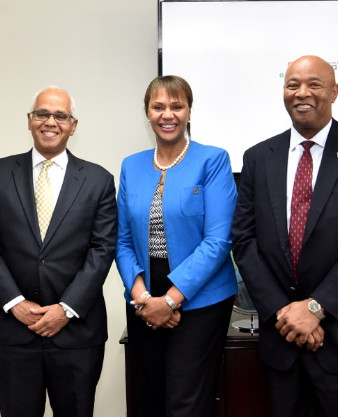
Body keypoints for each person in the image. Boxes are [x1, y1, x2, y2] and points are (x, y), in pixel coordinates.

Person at [231, 55, 338, 417]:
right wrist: (287, 315)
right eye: (292, 85)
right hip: (283, 339)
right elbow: (244, 243)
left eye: (314, 84)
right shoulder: (259, 157)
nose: (302, 93)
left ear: (334, 91)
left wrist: (315, 309)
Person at [0, 86, 117, 417]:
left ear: (73, 125)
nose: (51, 122)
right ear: (29, 120)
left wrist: (65, 309)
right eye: (42, 114)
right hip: (14, 331)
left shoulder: (98, 180)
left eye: (60, 115)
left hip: (77, 333)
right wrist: (15, 303)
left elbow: (102, 248)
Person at [115, 75, 238, 417]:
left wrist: (170, 300)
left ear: (188, 111)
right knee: (148, 401)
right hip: (144, 298)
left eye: (176, 106)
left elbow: (219, 240)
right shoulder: (131, 165)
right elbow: (122, 240)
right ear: (148, 113)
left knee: (185, 404)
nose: (167, 114)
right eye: (158, 106)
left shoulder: (212, 160)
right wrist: (143, 299)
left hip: (201, 301)